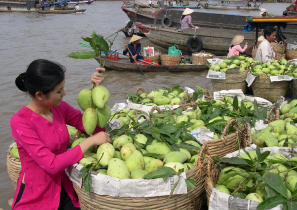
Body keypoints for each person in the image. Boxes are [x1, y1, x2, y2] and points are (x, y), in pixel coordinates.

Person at [10, 59, 111, 209]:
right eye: (58, 91)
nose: (64, 93)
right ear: (39, 95)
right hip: (38, 195)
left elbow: (94, 129)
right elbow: (52, 165)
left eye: (63, 88)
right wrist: (90, 141)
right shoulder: (21, 122)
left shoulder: (59, 107)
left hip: (65, 187)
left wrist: (94, 93)